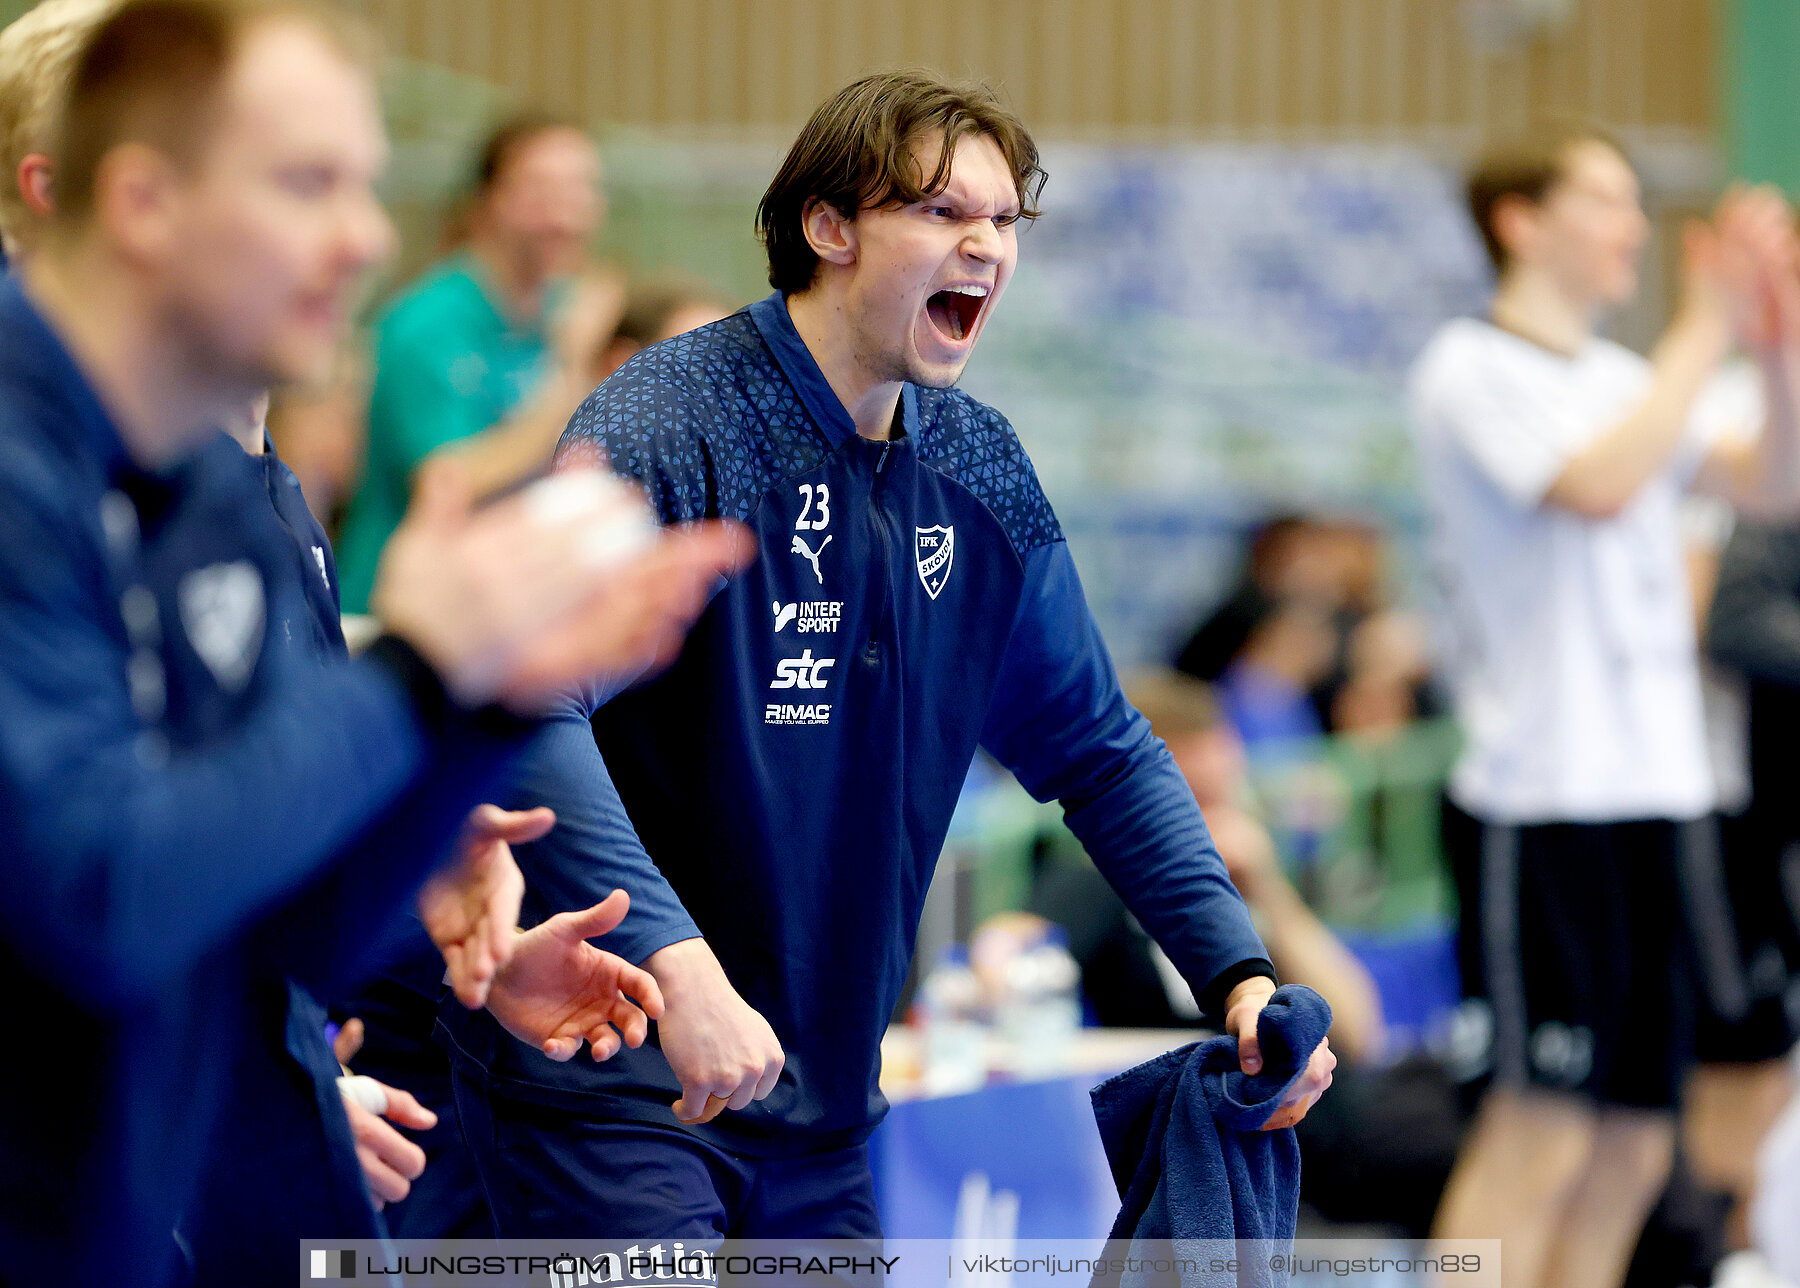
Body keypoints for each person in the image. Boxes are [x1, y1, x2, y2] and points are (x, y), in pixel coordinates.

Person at [439, 69, 1334, 1240]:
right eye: (945, 214)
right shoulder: (668, 422)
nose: (986, 248)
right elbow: (530, 705)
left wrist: (1239, 975)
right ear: (830, 227)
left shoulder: (980, 467)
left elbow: (1102, 754)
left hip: (826, 1117)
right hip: (615, 1085)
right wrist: (684, 965)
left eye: (1004, 222)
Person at [0, 2, 747, 1282]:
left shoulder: (210, 497)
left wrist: (482, 721)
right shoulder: (29, 468)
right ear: (133, 200)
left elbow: (265, 917)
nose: (365, 240)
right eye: (307, 184)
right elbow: (100, 900)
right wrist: (422, 675)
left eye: (364, 184)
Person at [1408, 127, 1800, 1288]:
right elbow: (1596, 483)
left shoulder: (1627, 378)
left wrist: (1773, 348)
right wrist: (1705, 325)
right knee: (1539, 1132)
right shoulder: (1471, 369)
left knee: (1634, 1138)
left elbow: (1771, 486)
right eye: (1609, 202)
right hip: (1543, 802)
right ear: (1522, 220)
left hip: (1663, 798)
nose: (1635, 227)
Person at [336, 112, 620, 611]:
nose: (565, 213)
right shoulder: (426, 322)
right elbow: (447, 483)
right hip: (401, 611)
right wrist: (574, 373)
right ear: (491, 201)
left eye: (581, 190)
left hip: (507, 610)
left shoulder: (575, 309)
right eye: (542, 190)